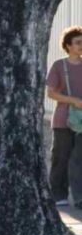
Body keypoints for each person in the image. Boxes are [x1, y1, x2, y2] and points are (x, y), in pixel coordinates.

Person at [46, 26, 82, 209]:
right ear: (68, 46)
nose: (81, 46)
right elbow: (51, 93)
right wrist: (73, 100)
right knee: (61, 157)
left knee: (79, 160)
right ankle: (58, 194)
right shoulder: (59, 66)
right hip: (63, 119)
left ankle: (79, 197)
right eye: (78, 42)